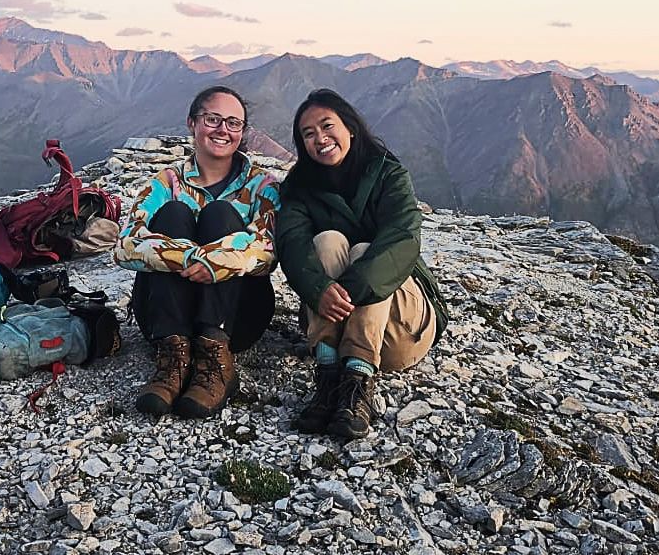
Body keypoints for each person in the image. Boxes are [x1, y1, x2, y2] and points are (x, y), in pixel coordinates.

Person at [277, 89, 448, 439]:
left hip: (399, 335)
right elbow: (291, 243)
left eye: (327, 126)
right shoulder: (299, 186)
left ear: (350, 128)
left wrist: (344, 291)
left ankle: (357, 382)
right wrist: (317, 288)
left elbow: (403, 239)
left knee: (367, 251)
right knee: (326, 242)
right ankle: (328, 376)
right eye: (308, 134)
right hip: (336, 329)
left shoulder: (389, 174)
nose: (320, 139)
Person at [114, 86, 279, 419]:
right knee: (173, 213)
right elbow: (125, 245)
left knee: (220, 214)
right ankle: (173, 361)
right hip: (163, 319)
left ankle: (215, 363)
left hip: (237, 321)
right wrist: (191, 258)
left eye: (233, 123)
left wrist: (215, 262)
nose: (223, 130)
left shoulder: (262, 186)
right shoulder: (166, 182)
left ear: (243, 132)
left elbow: (268, 249)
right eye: (213, 119)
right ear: (192, 123)